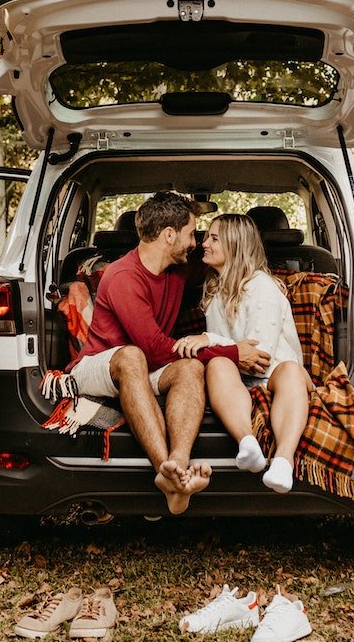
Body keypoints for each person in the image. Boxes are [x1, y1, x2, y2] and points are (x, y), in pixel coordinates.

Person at [67, 193, 271, 514]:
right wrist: (232, 352)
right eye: (192, 233)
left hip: (146, 365)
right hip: (99, 364)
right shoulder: (123, 277)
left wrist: (270, 282)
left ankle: (177, 467)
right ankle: (164, 471)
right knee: (132, 355)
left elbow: (230, 263)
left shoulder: (179, 269)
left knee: (190, 367)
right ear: (169, 235)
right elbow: (155, 349)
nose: (196, 243)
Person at [174, 213, 312, 494]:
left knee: (292, 372)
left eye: (213, 238)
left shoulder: (262, 286)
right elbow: (234, 355)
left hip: (273, 372)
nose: (204, 244)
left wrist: (207, 339)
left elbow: (259, 357)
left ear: (235, 245)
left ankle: (283, 462)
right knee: (217, 364)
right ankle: (247, 443)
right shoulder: (214, 288)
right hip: (238, 376)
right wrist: (215, 348)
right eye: (205, 237)